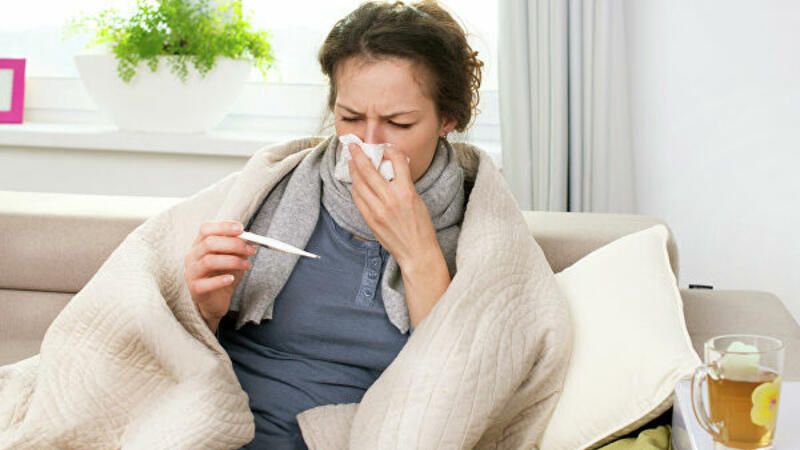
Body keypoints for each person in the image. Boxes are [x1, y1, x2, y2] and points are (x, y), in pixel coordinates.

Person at [183, 1, 483, 448]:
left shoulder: (478, 229)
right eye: (350, 118)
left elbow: (460, 390)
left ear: (447, 120)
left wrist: (419, 252)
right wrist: (204, 307)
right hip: (215, 429)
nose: (366, 144)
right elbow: (167, 346)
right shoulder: (270, 189)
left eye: (398, 123)